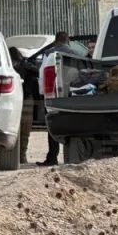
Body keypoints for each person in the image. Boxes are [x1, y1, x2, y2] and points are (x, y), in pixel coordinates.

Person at [38, 32, 83, 166]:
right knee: (72, 127)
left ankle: (52, 158)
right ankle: (73, 157)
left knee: (53, 127)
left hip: (53, 95)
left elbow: (42, 75)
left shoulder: (48, 54)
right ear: (67, 40)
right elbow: (81, 74)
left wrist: (42, 94)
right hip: (72, 94)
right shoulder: (76, 53)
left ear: (55, 41)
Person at [9, 46, 37, 163]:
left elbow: (36, 71)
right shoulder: (11, 67)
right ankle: (19, 155)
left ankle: (20, 155)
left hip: (19, 99)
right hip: (21, 99)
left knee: (21, 129)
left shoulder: (20, 67)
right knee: (20, 130)